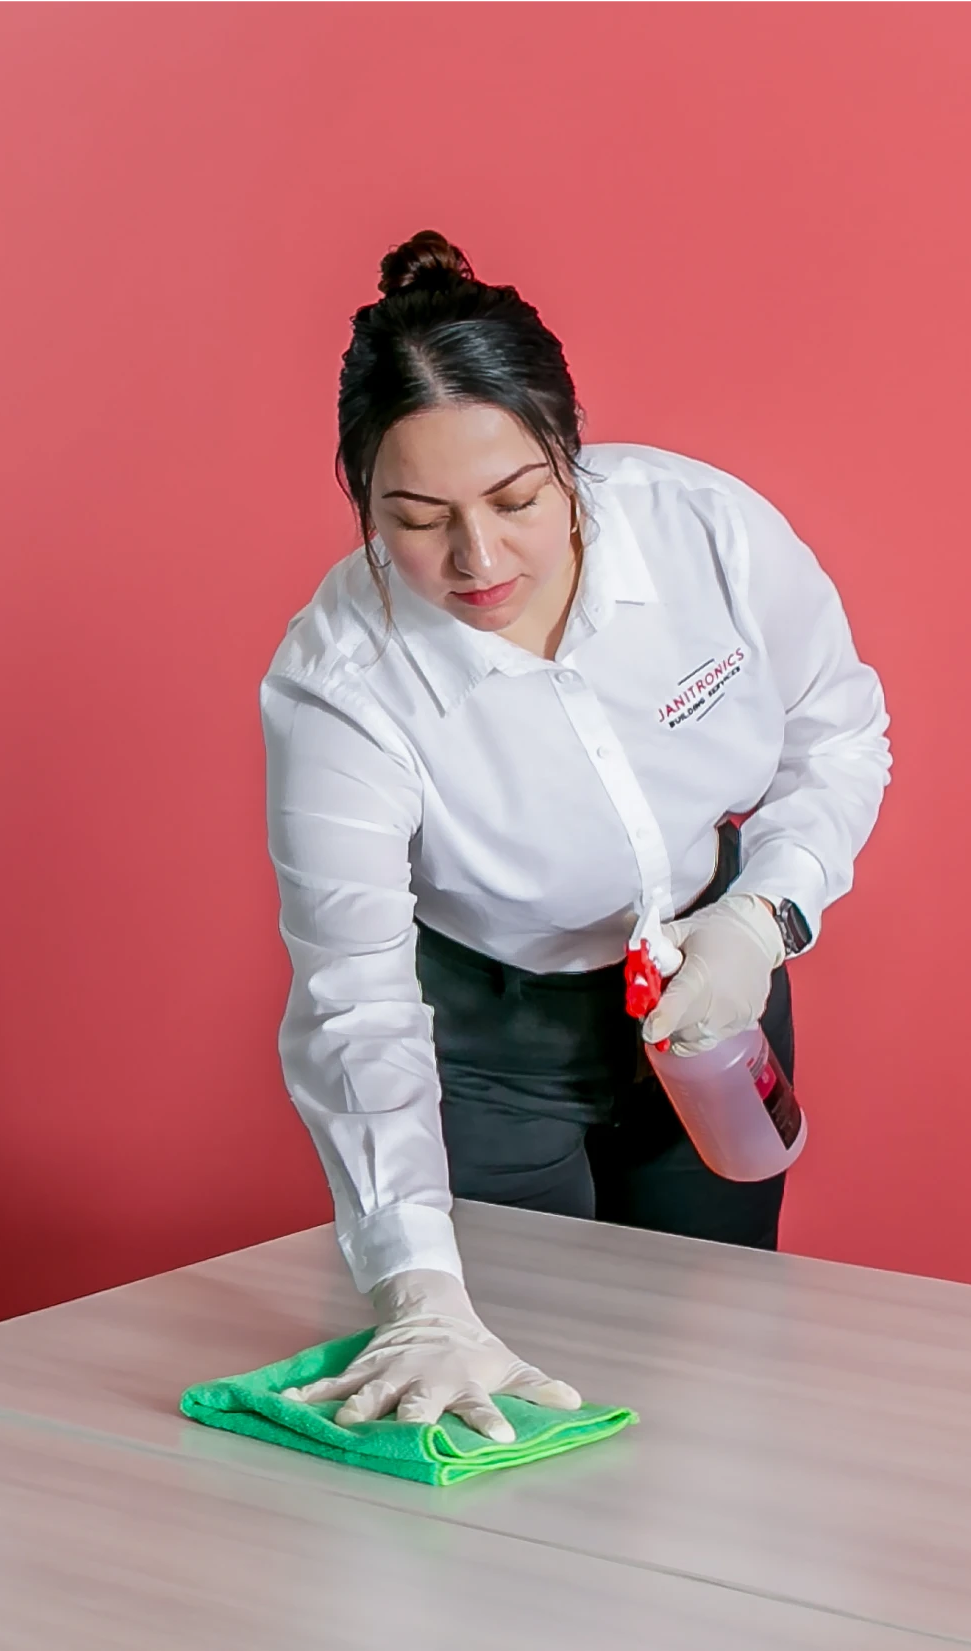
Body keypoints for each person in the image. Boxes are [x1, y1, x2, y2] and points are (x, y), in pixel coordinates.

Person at [261, 231, 891, 1441]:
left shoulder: (707, 532)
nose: (478, 558)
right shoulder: (340, 681)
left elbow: (840, 733)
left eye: (516, 499)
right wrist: (416, 1288)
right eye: (416, 518)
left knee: (714, 1384)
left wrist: (765, 916)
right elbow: (355, 1002)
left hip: (712, 983)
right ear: (361, 501)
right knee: (517, 1388)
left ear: (569, 450)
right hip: (487, 1032)